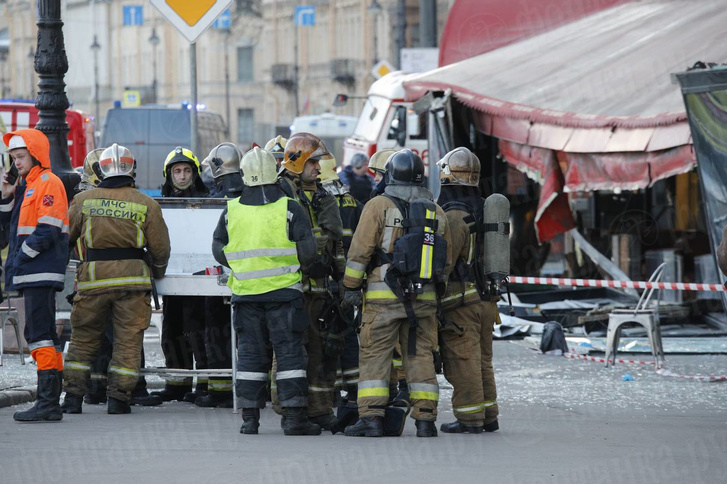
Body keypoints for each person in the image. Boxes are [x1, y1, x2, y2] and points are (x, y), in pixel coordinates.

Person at [342, 149, 452, 438]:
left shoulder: (377, 206)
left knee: (375, 355)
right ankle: (426, 421)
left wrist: (350, 287)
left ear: (390, 174)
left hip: (383, 299)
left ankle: (372, 419)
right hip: (424, 300)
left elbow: (360, 251)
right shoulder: (436, 210)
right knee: (420, 357)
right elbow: (447, 259)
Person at [212, 147, 320, 435]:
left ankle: (250, 420)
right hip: (285, 296)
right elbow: (309, 253)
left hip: (246, 296)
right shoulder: (290, 208)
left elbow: (218, 250)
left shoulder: (231, 209)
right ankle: (294, 420)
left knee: (249, 355)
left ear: (244, 176)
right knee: (290, 357)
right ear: (275, 174)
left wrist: (244, 266)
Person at [61, 143, 170, 415]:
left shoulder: (83, 201)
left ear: (102, 169)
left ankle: (73, 399)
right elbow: (160, 250)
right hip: (132, 284)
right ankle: (119, 400)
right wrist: (156, 272)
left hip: (92, 282)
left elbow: (67, 238)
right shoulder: (147, 203)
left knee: (83, 340)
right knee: (127, 341)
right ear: (132, 169)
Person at [0, 129, 69, 422]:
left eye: (20, 156)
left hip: (38, 270)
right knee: (44, 337)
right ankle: (50, 400)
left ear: (35, 154)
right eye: (13, 158)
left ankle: (48, 402)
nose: (16, 163)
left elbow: (48, 228)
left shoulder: (47, 182)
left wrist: (19, 258)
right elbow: (5, 233)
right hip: (32, 272)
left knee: (39, 336)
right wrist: (5, 197)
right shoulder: (26, 186)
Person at [279, 132, 345, 430]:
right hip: (291, 288)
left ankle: (319, 409)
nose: (319, 169)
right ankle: (290, 408)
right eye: (313, 163)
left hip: (319, 290)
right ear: (298, 163)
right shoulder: (280, 195)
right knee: (292, 351)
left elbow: (337, 245)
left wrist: (344, 283)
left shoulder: (324, 197)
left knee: (319, 351)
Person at [435, 147, 501, 433]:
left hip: (462, 303)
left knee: (464, 361)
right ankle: (488, 416)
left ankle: (469, 418)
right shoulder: (485, 208)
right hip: (487, 300)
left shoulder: (453, 216)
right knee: (483, 361)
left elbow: (445, 263)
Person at [152, 147, 209, 403]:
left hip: (201, 278)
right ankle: (177, 384)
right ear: (169, 174)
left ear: (195, 173)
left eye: (187, 171)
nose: (182, 176)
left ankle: (205, 384)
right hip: (172, 274)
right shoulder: (159, 203)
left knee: (200, 333)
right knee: (173, 331)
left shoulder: (208, 201)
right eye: (177, 171)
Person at [195, 142, 245, 408]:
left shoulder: (220, 193)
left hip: (218, 272)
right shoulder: (249, 190)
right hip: (251, 276)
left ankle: (220, 391)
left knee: (216, 331)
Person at [317, 156, 363, 422]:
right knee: (347, 335)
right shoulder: (352, 202)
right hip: (350, 281)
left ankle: (331, 393)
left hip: (328, 280)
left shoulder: (322, 202)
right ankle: (354, 390)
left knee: (327, 340)